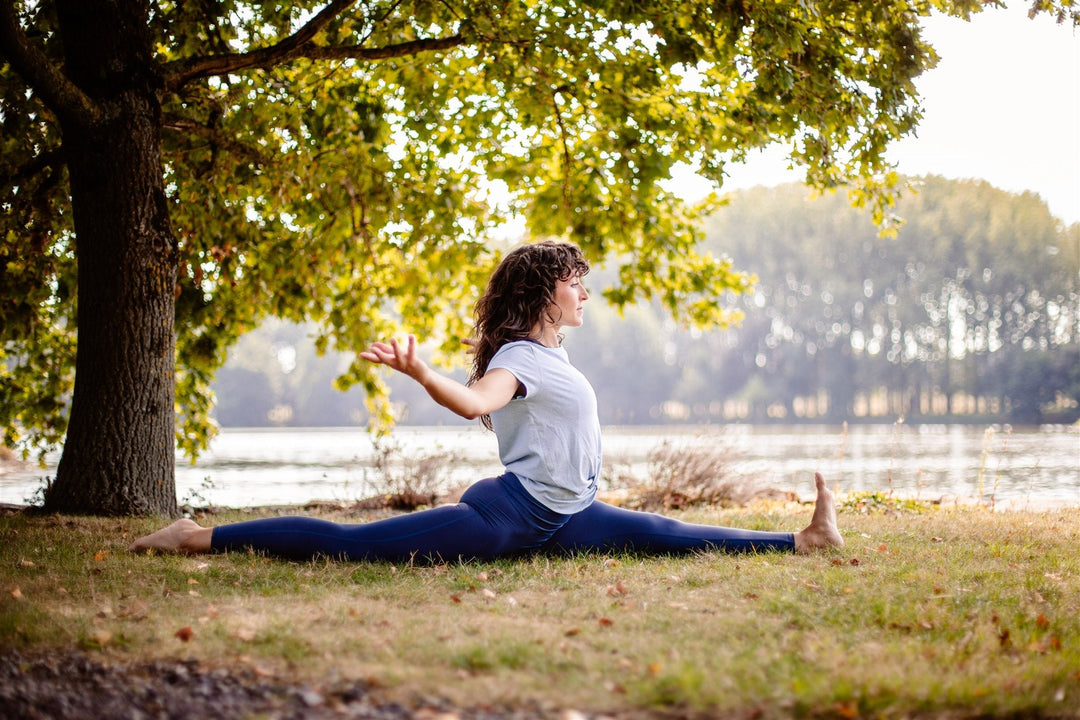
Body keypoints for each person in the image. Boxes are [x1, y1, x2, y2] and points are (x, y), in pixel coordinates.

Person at [129, 241, 842, 560]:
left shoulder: (552, 354)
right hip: (509, 515)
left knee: (658, 533)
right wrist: (421, 374)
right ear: (546, 290)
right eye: (577, 282)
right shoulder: (518, 358)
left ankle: (801, 542)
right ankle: (192, 535)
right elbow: (476, 403)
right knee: (350, 546)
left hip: (567, 516)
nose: (585, 292)